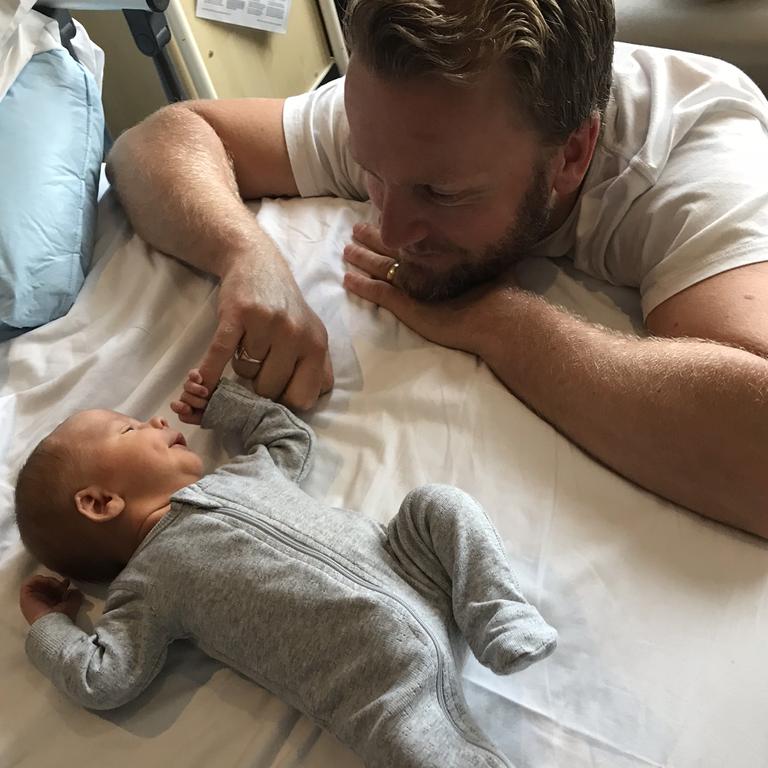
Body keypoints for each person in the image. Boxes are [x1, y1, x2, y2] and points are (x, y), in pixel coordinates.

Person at [105, 0, 768, 537]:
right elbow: (157, 142)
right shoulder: (410, 122)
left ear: (573, 154)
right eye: (371, 171)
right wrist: (247, 257)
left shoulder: (692, 153)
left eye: (441, 194)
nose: (389, 230)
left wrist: (495, 320)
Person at [15, 373, 557, 768]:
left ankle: (495, 614)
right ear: (101, 501)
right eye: (131, 430)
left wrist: (225, 404)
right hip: (372, 681)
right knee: (422, 754)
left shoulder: (246, 471)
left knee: (439, 505)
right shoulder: (142, 589)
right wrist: (48, 625)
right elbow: (102, 678)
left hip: (417, 570)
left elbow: (290, 438)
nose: (157, 419)